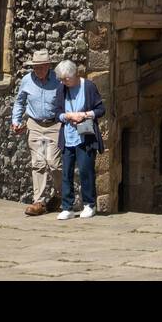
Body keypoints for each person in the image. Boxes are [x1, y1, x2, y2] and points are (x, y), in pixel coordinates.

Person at [11, 47, 62, 215]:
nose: (38, 70)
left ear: (48, 66)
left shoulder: (58, 80)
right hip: (35, 125)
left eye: (41, 67)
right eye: (35, 67)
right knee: (38, 163)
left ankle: (60, 195)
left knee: (54, 164)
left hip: (54, 125)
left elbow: (67, 99)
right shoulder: (27, 80)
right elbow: (20, 102)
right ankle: (38, 202)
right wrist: (16, 121)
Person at [55, 59, 105, 220]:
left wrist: (84, 115)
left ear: (75, 74)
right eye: (61, 79)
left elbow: (100, 109)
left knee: (86, 170)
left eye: (66, 79)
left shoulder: (88, 87)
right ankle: (67, 207)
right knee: (66, 172)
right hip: (68, 136)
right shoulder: (61, 89)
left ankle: (89, 204)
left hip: (85, 136)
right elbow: (57, 113)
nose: (63, 82)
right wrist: (68, 116)